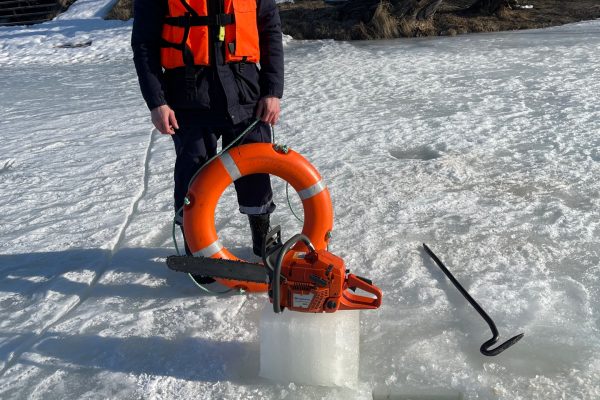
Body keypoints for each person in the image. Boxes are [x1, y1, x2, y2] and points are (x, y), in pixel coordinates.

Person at [131, 0, 284, 283]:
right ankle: (196, 245)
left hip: (246, 91)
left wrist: (272, 90)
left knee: (254, 166)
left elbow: (270, 31)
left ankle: (262, 237)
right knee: (194, 170)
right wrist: (157, 102)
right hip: (188, 94)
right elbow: (144, 45)